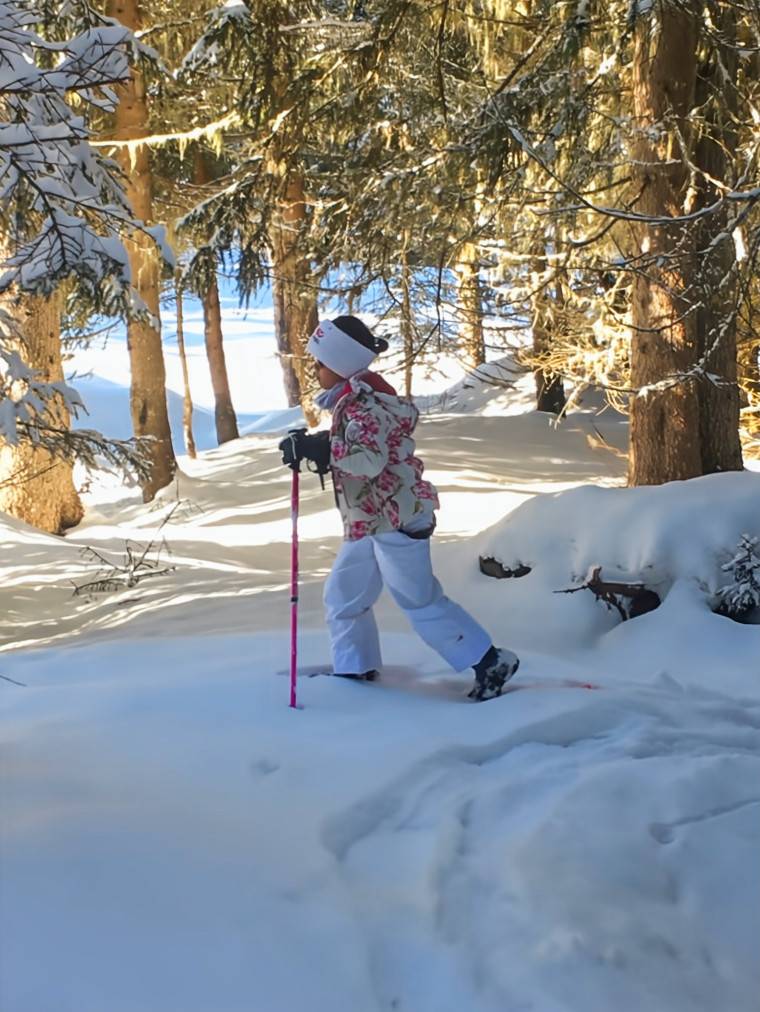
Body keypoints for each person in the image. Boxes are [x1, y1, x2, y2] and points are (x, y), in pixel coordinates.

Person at [279, 315, 519, 701]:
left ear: (340, 364)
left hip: (395, 518)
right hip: (369, 520)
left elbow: (369, 460)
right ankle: (353, 669)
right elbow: (361, 445)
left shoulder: (364, 405)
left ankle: (489, 661)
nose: (316, 370)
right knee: (343, 596)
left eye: (321, 363)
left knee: (418, 600)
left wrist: (325, 450)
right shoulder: (353, 403)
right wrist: (319, 444)